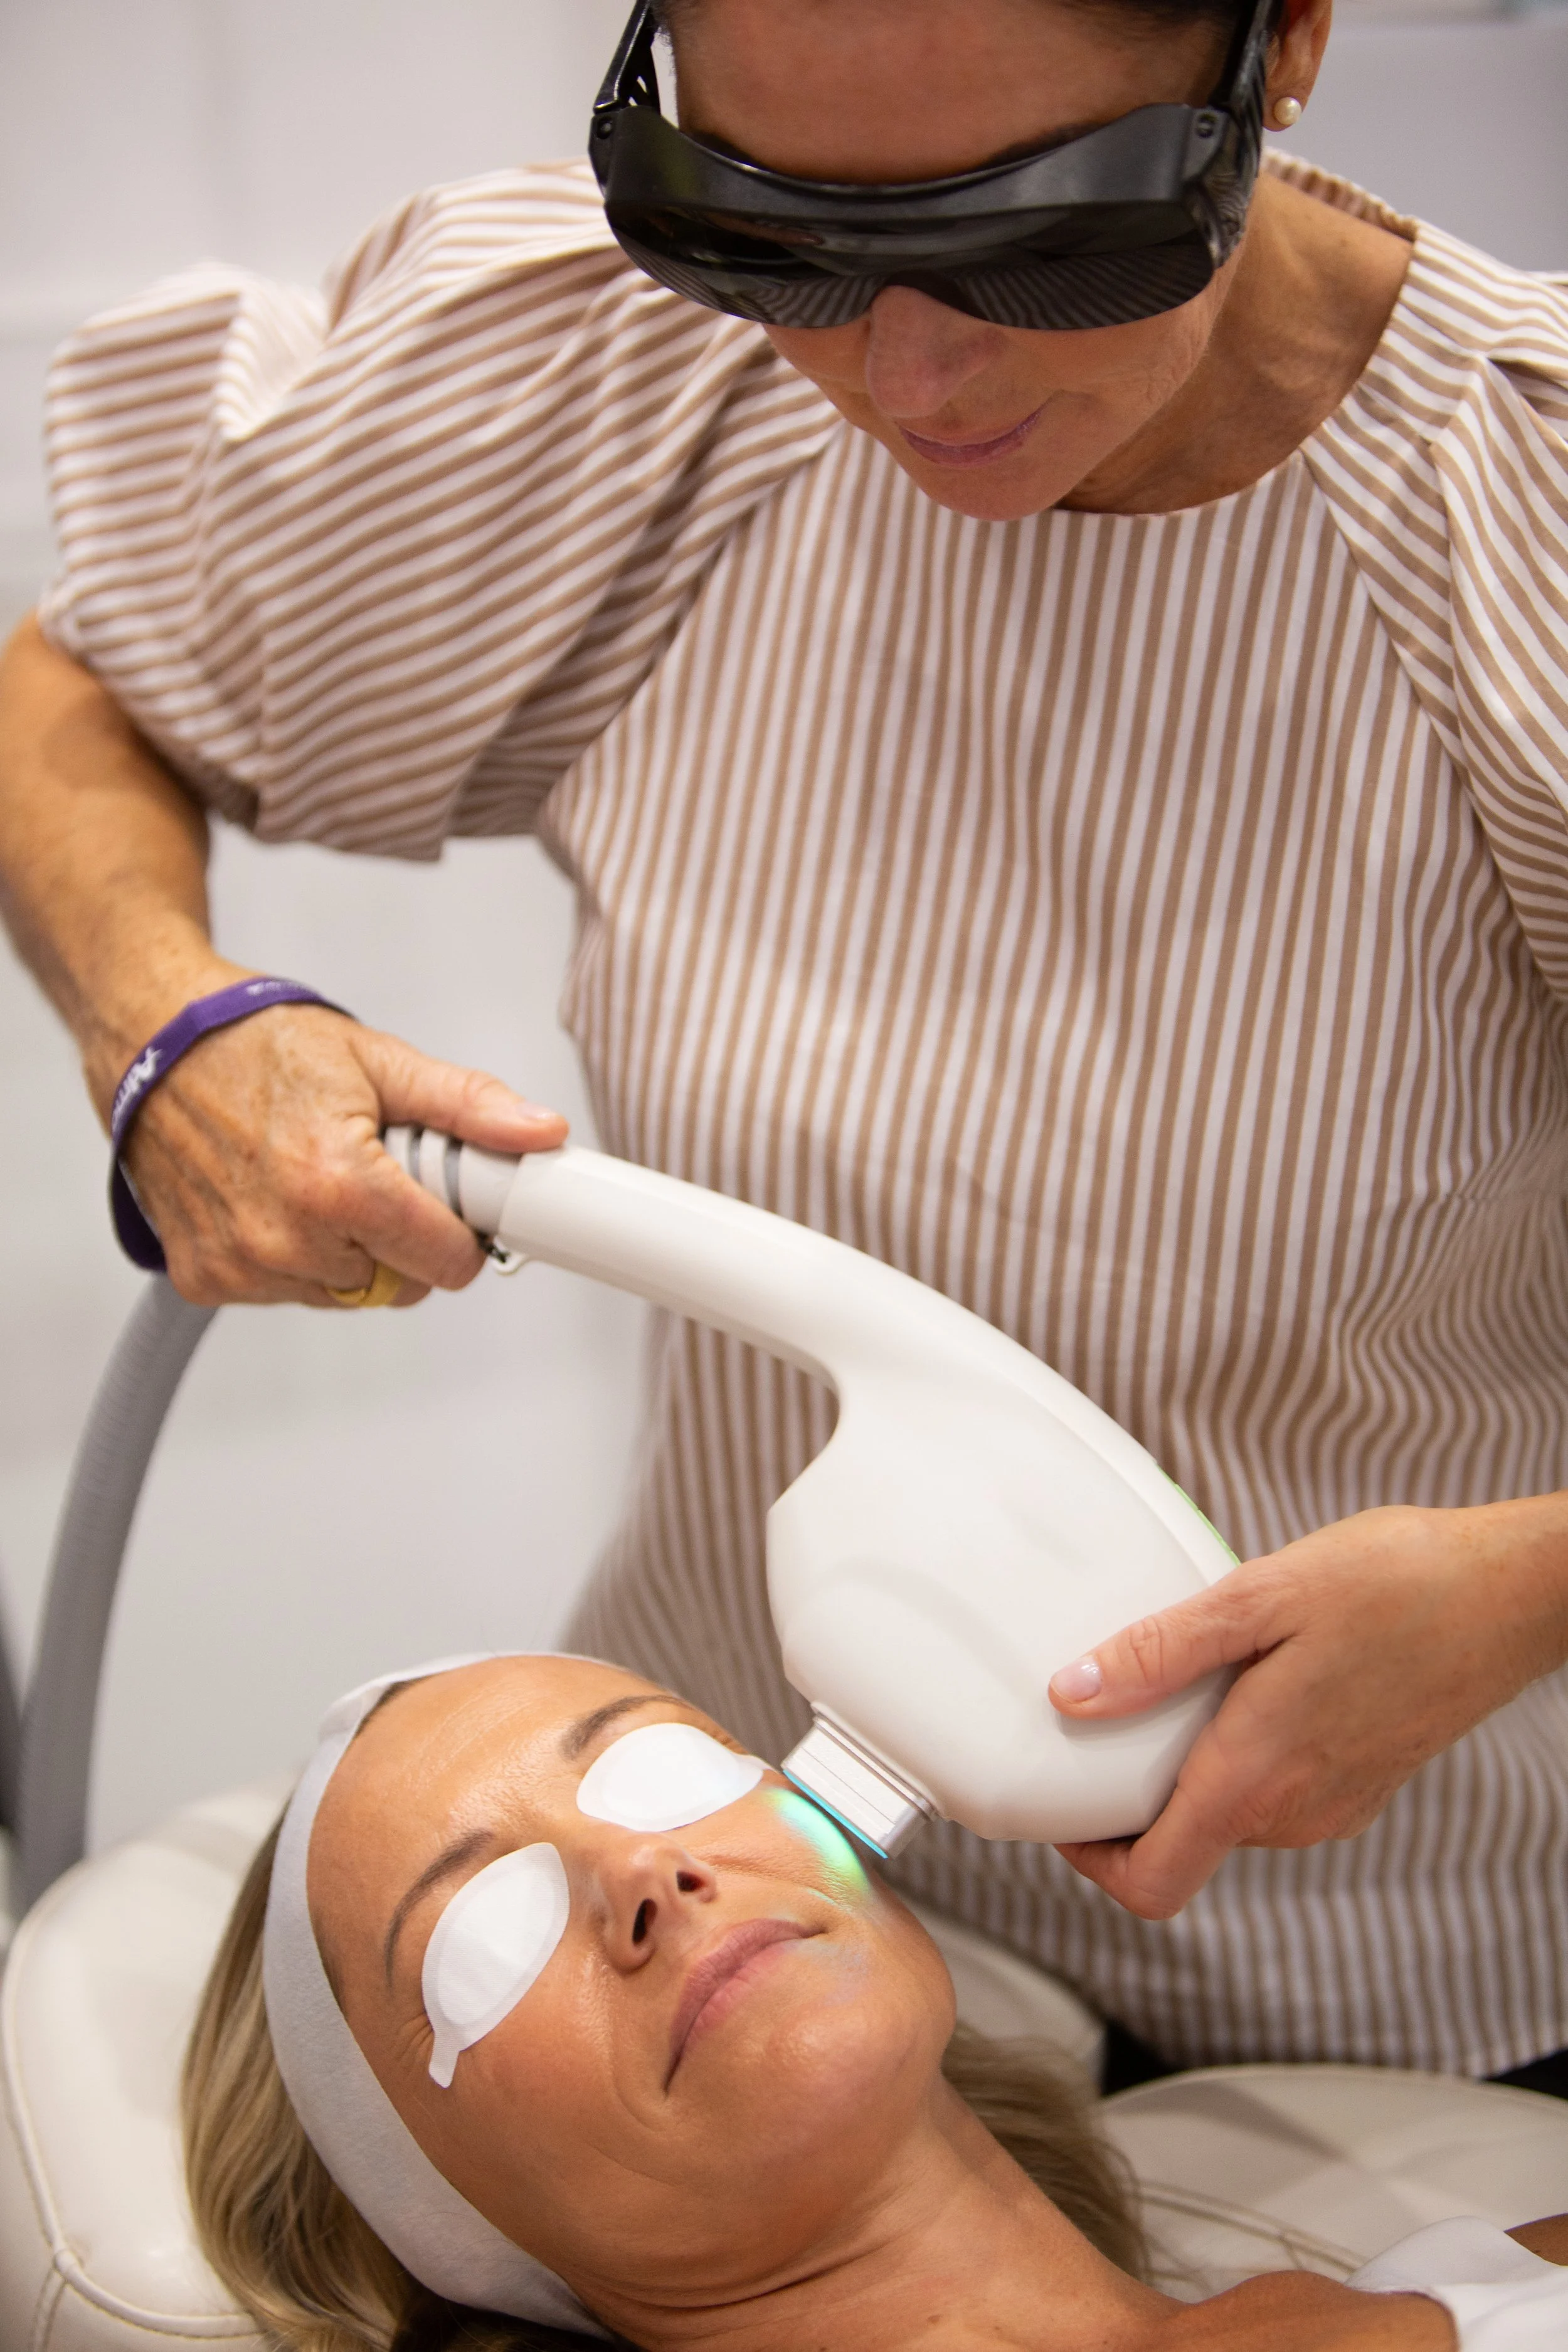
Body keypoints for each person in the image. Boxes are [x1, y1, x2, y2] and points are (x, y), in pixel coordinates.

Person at [3, 0, 1568, 2089]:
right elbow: (89, 682)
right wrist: (166, 1022)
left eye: (1042, 242)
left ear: (1282, 45)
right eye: (781, 240)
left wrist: (1526, 1589)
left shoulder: (1514, 533)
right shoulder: (631, 392)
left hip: (1414, 2027)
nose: (900, 379)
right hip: (736, 1933)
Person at [186, 1651, 1568, 2352]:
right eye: (479, 1937)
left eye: (658, 1767)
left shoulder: (1469, 2286)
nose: (643, 1869)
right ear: (447, 2221)